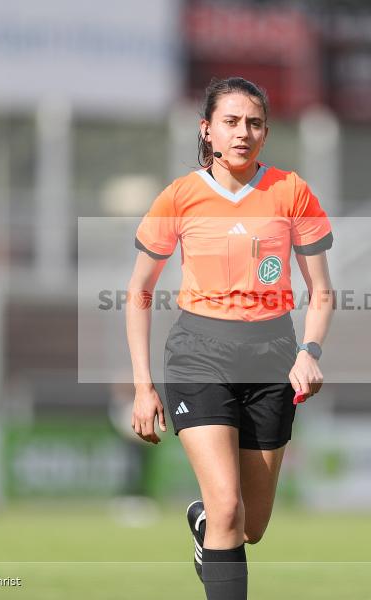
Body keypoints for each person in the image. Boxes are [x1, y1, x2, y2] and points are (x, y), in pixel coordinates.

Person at [126, 76, 334, 600]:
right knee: (226, 507)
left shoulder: (291, 191)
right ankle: (211, 520)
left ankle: (203, 528)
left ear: (265, 133)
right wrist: (142, 385)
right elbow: (139, 291)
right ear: (208, 131)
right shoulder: (180, 196)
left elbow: (322, 290)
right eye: (231, 122)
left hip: (273, 359)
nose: (243, 132)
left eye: (254, 123)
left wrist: (310, 351)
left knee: (249, 527)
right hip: (199, 354)